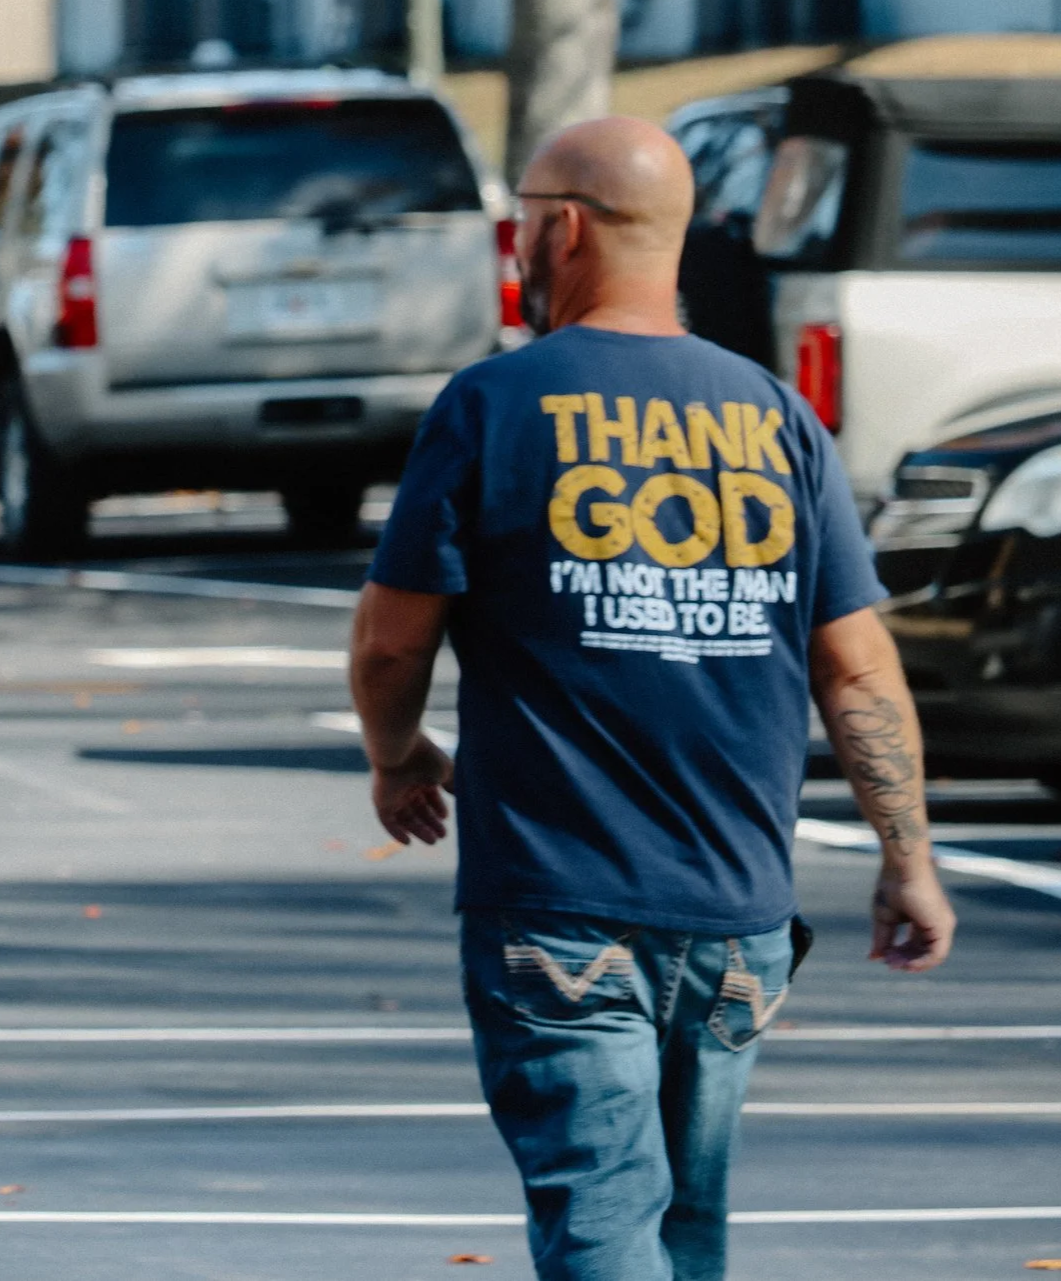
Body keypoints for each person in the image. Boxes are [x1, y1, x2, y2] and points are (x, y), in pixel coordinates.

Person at [351, 116, 955, 1281]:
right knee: (681, 1229)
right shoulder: (776, 417)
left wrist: (395, 752)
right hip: (735, 915)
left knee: (599, 1223)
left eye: (524, 218)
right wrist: (906, 857)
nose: (518, 242)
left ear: (562, 228)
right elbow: (858, 668)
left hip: (561, 908)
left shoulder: (490, 404)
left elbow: (390, 640)